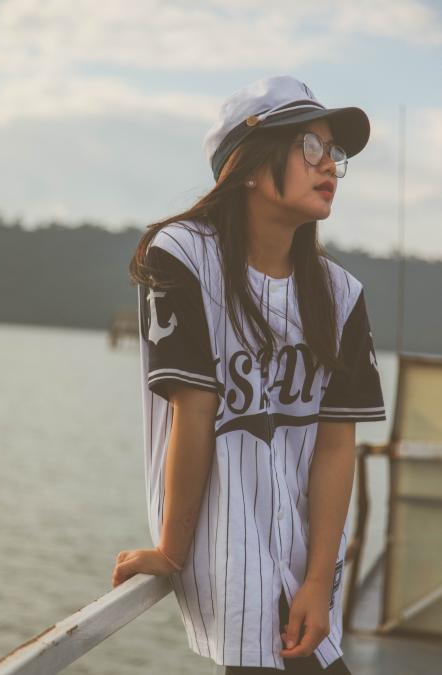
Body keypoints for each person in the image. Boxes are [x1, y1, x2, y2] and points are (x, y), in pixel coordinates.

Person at [111, 74, 386, 673]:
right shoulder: (182, 254)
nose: (331, 167)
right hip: (224, 554)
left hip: (306, 562)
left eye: (334, 154)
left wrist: (319, 582)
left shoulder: (341, 294)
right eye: (310, 148)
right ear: (249, 167)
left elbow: (336, 445)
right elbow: (195, 409)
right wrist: (171, 551)